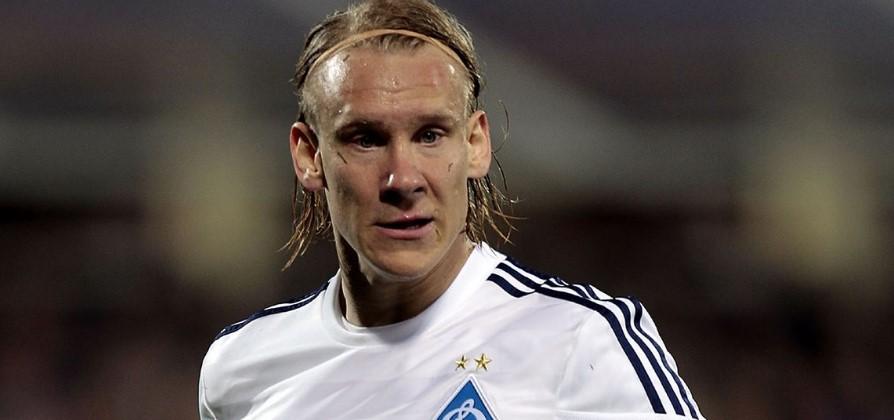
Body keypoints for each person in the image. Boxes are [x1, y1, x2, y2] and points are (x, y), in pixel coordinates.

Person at [198, 1, 705, 419]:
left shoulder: (581, 342)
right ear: (309, 156)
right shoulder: (241, 369)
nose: (403, 179)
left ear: (475, 144)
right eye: (366, 139)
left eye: (430, 135)